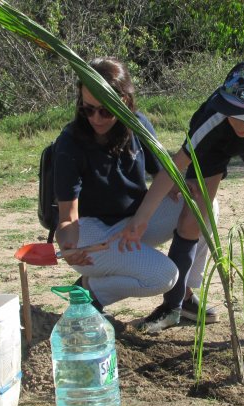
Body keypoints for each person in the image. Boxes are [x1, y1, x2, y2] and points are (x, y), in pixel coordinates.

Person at [119, 60, 244, 343]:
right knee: (192, 219)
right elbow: (173, 167)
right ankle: (173, 306)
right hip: (215, 147)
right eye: (235, 114)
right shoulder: (212, 119)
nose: (240, 123)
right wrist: (142, 218)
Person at [52, 57, 218, 332]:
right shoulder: (70, 143)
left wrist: (183, 185)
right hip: (93, 234)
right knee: (164, 276)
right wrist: (70, 250)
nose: (95, 119)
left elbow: (164, 175)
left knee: (204, 203)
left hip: (133, 224)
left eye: (105, 111)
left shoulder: (138, 125)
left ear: (125, 102)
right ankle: (91, 294)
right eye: (87, 110)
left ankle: (184, 295)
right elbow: (67, 219)